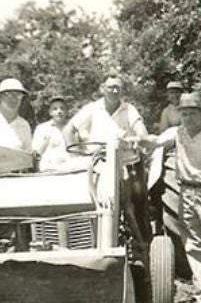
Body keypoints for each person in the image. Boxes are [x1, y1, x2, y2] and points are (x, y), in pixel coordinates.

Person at [141, 93, 201, 303]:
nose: (188, 118)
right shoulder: (177, 133)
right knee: (194, 244)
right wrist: (136, 140)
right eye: (184, 114)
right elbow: (155, 141)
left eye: (192, 113)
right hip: (186, 192)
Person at [64, 73, 150, 243]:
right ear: (102, 89)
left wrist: (137, 139)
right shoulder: (92, 109)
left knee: (137, 200)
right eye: (110, 87)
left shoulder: (129, 109)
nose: (114, 90)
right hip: (98, 165)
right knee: (86, 200)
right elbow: (69, 130)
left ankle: (143, 243)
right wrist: (75, 155)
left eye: (118, 87)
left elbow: (142, 132)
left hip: (126, 163)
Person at [32, 95, 73, 172]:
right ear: (50, 112)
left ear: (67, 111)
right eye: (55, 109)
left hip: (68, 170)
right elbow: (35, 154)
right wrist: (44, 142)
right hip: (47, 170)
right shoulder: (41, 128)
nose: (59, 111)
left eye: (62, 108)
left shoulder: (72, 128)